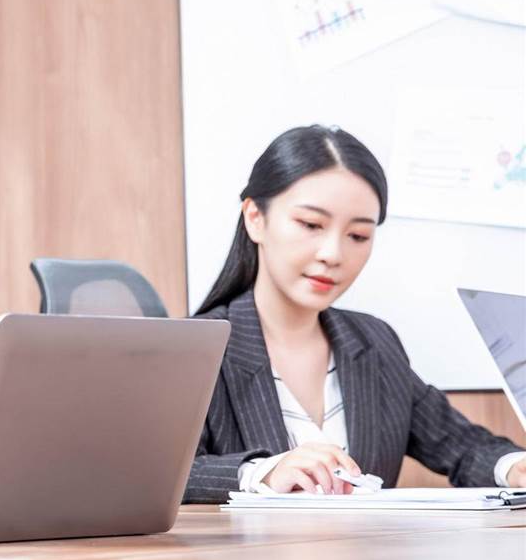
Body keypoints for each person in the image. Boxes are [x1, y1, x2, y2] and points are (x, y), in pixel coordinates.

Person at [183, 125, 526, 503]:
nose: (333, 254)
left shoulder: (373, 343)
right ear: (255, 218)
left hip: (371, 544)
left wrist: (512, 466)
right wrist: (260, 473)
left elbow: (461, 445)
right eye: (311, 225)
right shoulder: (194, 348)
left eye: (358, 235)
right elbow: (163, 472)